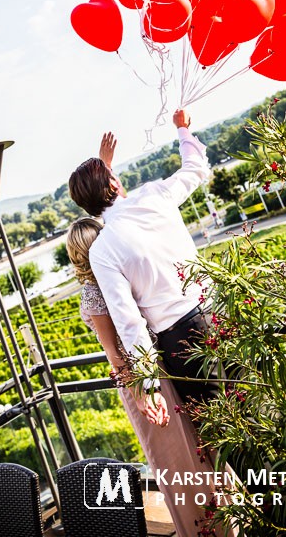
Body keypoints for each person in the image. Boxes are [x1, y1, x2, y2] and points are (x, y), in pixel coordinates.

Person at [66, 218, 239, 537]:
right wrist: (137, 390)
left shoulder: (112, 279)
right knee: (177, 459)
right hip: (140, 381)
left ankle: (227, 517)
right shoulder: (96, 292)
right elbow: (114, 354)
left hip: (155, 372)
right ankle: (207, 527)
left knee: (197, 448)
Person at [68, 109, 218, 419]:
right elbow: (195, 167)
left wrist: (148, 386)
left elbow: (129, 321)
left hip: (180, 341)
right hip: (218, 312)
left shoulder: (102, 250)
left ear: (85, 205)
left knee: (223, 428)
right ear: (114, 182)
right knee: (260, 410)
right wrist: (182, 130)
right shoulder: (154, 196)